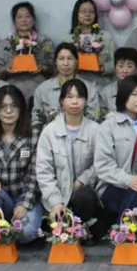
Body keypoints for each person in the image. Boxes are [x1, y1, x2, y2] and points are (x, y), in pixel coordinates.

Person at [0, 85, 42, 244]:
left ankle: (15, 227)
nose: (8, 111)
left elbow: (35, 176)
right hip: (1, 196)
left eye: (13, 106)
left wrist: (24, 204)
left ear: (21, 109)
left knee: (25, 234)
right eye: (3, 107)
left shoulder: (34, 135)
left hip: (26, 196)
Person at [94, 76, 137, 224]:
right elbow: (103, 165)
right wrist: (128, 180)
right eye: (134, 94)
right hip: (113, 186)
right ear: (124, 96)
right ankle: (122, 230)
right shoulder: (108, 126)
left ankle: (118, 226)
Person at [36, 79, 101, 225]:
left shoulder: (96, 130)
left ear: (86, 101)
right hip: (55, 197)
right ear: (62, 101)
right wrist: (56, 202)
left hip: (84, 194)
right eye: (69, 97)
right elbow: (44, 171)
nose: (75, 102)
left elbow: (101, 163)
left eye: (80, 97)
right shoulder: (49, 132)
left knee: (86, 196)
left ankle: (81, 229)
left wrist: (81, 181)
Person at [0, 2, 55, 104]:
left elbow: (54, 68)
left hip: (39, 89)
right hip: (12, 91)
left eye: (27, 16)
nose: (24, 20)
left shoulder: (45, 42)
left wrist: (42, 68)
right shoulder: (5, 43)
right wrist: (6, 70)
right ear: (14, 21)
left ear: (34, 19)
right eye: (19, 17)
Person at [31, 43, 98, 130]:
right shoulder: (43, 89)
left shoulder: (89, 88)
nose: (65, 63)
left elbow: (94, 116)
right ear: (55, 62)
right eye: (61, 59)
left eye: (70, 58)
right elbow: (36, 119)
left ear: (76, 61)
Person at [96, 47, 137, 122]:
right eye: (120, 66)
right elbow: (100, 117)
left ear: (136, 69)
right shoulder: (105, 92)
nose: (125, 71)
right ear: (115, 68)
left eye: (129, 66)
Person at [66, 0, 115, 90]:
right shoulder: (67, 38)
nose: (87, 15)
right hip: (75, 84)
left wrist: (103, 68)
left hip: (100, 85)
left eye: (91, 12)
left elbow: (115, 63)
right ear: (76, 14)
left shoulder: (105, 36)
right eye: (83, 11)